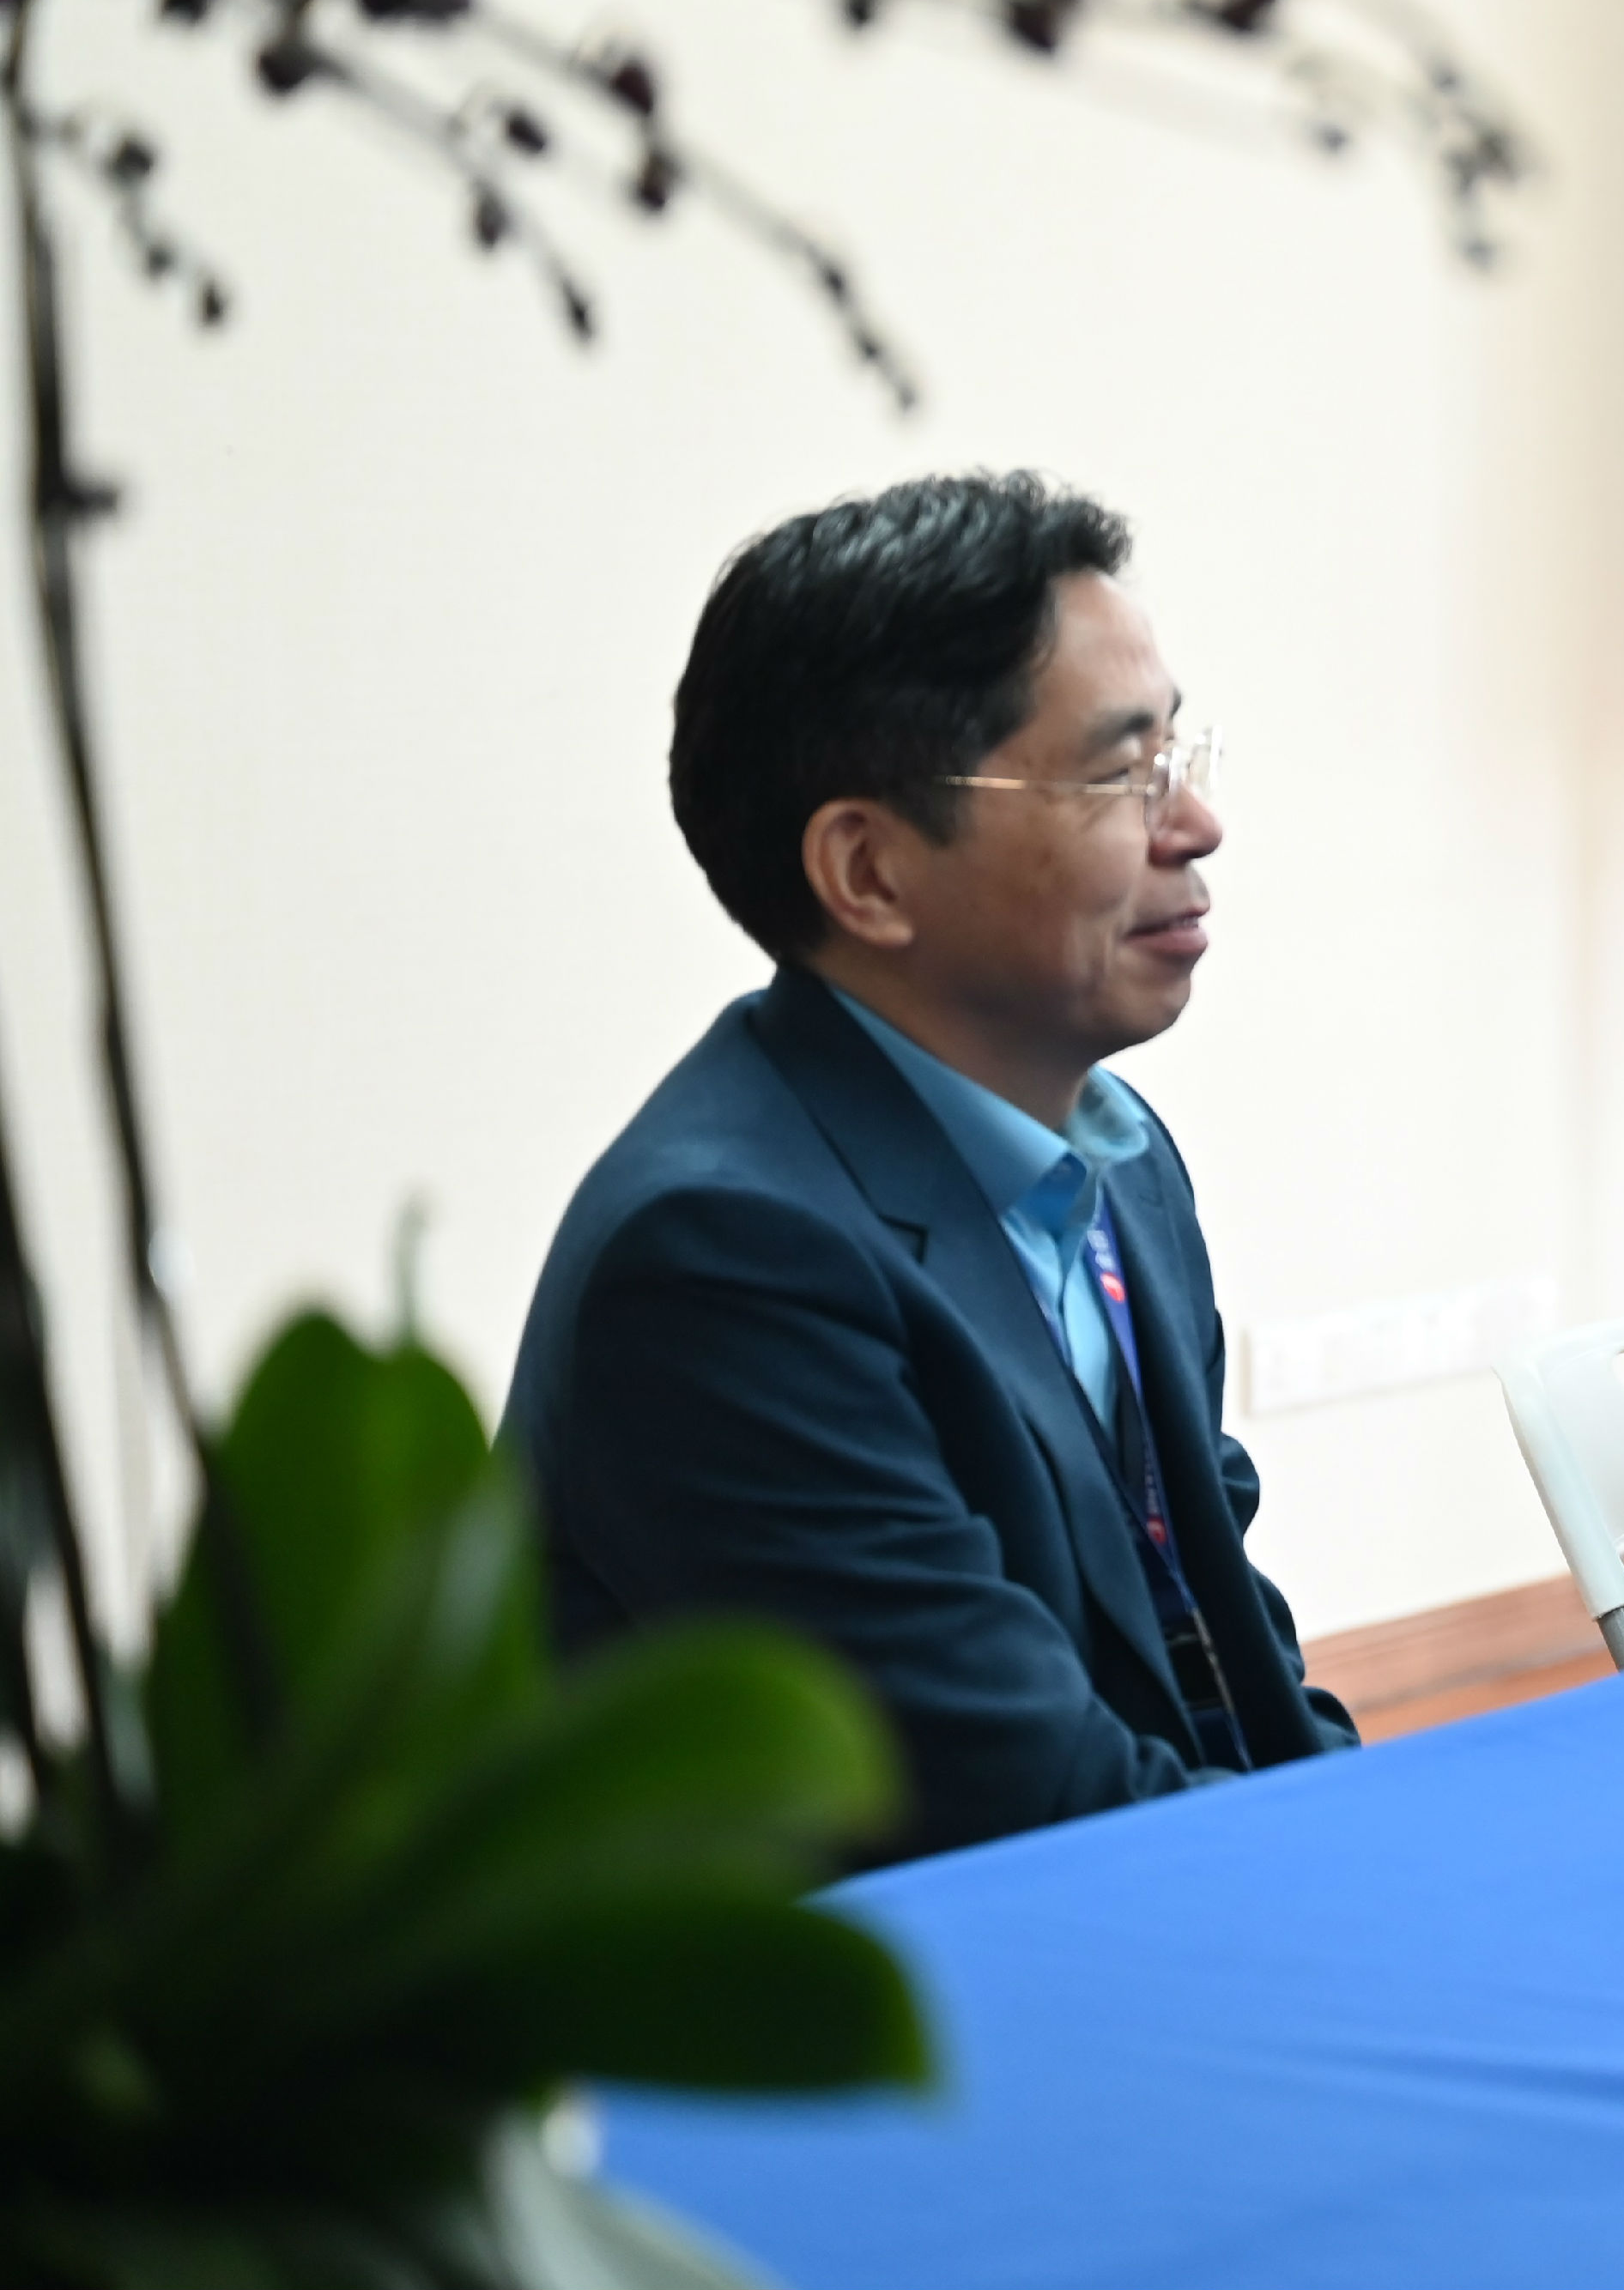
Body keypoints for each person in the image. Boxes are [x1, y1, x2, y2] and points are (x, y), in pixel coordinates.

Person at [503, 473, 1354, 1858]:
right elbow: (1019, 1805)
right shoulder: (722, 1260)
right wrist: (1384, 1876)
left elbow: (1224, 1645)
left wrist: (1384, 1829)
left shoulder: (1119, 1157)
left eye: (1180, 754)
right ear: (870, 872)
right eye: (1120, 774)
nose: (1195, 823)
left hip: (1134, 1906)